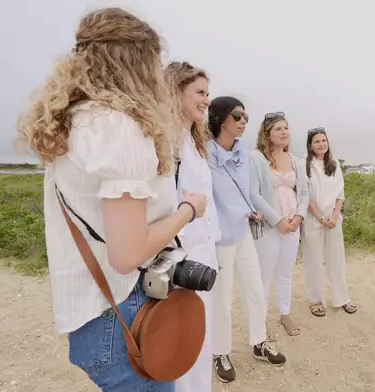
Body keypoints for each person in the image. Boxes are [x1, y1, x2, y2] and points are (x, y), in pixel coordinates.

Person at [15, 8, 207, 391]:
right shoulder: (118, 128)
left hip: (95, 313)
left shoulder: (79, 121)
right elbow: (127, 253)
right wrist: (188, 210)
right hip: (125, 315)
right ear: (138, 64)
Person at [207, 97, 286, 384]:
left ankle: (259, 341)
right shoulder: (205, 153)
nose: (242, 121)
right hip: (219, 238)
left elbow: (244, 191)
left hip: (241, 232)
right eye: (237, 116)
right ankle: (220, 352)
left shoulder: (243, 153)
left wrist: (251, 210)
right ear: (219, 119)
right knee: (222, 298)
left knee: (254, 288)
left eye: (245, 117)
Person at [164, 61, 218, 392]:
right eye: (199, 92)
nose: (206, 100)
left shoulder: (195, 142)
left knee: (201, 335)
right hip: (180, 258)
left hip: (204, 252)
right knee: (179, 340)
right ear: (175, 91)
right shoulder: (166, 142)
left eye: (208, 93)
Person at [249, 112, 309, 337]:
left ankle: (285, 314)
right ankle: (260, 320)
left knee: (285, 273)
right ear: (267, 134)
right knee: (264, 275)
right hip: (268, 226)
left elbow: (304, 191)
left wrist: (298, 217)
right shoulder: (256, 157)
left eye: (286, 128)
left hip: (293, 225)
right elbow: (253, 193)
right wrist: (277, 220)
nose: (284, 132)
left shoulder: (296, 160)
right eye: (278, 129)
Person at [301, 127, 356, 317]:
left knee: (337, 260)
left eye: (324, 140)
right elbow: (304, 195)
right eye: (317, 141)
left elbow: (340, 194)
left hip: (333, 220)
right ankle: (315, 299)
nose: (321, 144)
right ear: (310, 145)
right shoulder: (304, 165)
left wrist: (333, 216)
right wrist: (320, 217)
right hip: (312, 219)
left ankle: (342, 298)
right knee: (313, 260)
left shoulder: (333, 164)